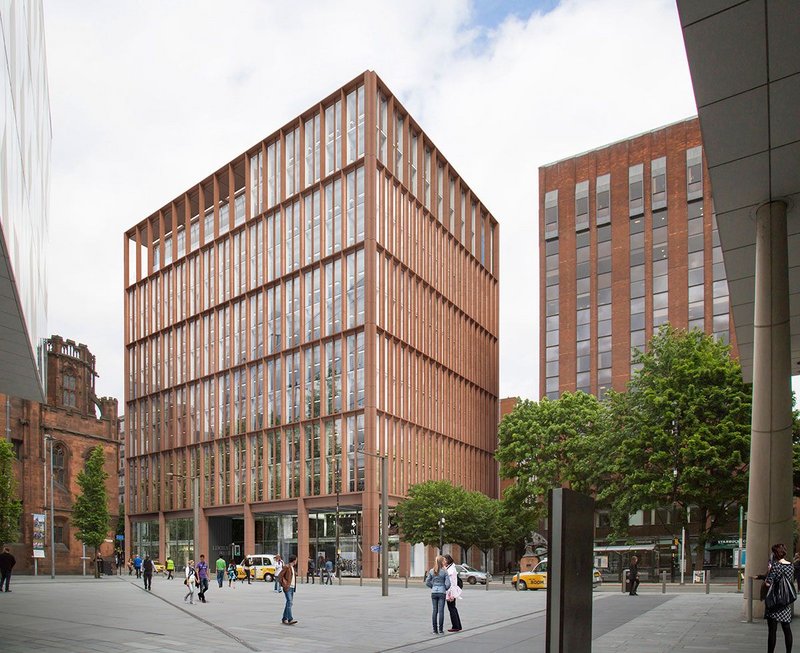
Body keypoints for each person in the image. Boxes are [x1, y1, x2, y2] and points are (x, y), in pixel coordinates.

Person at [765, 543, 794, 653]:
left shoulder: (776, 566)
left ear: (775, 554)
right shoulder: (790, 565)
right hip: (785, 601)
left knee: (772, 631)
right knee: (787, 629)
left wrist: (769, 571)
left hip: (775, 601)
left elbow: (768, 582)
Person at [426, 555, 451, 635]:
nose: (445, 562)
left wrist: (432, 587)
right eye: (444, 561)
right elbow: (448, 584)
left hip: (434, 592)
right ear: (441, 562)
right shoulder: (444, 572)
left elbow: (427, 582)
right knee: (441, 611)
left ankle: (434, 630)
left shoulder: (431, 571)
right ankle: (440, 629)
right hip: (441, 592)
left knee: (434, 611)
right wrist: (444, 588)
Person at [443, 554, 463, 632]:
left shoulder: (450, 570)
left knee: (452, 608)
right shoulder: (450, 568)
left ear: (448, 561)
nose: (443, 562)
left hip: (451, 592)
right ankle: (458, 625)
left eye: (444, 560)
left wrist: (451, 595)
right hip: (452, 592)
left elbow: (451, 583)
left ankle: (455, 626)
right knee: (453, 608)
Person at [277, 554, 298, 625]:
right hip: (288, 587)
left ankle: (284, 618)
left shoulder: (292, 567)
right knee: (289, 602)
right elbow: (280, 576)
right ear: (294, 560)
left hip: (292, 587)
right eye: (296, 560)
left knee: (289, 603)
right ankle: (290, 619)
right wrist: (284, 584)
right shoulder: (286, 567)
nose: (297, 561)